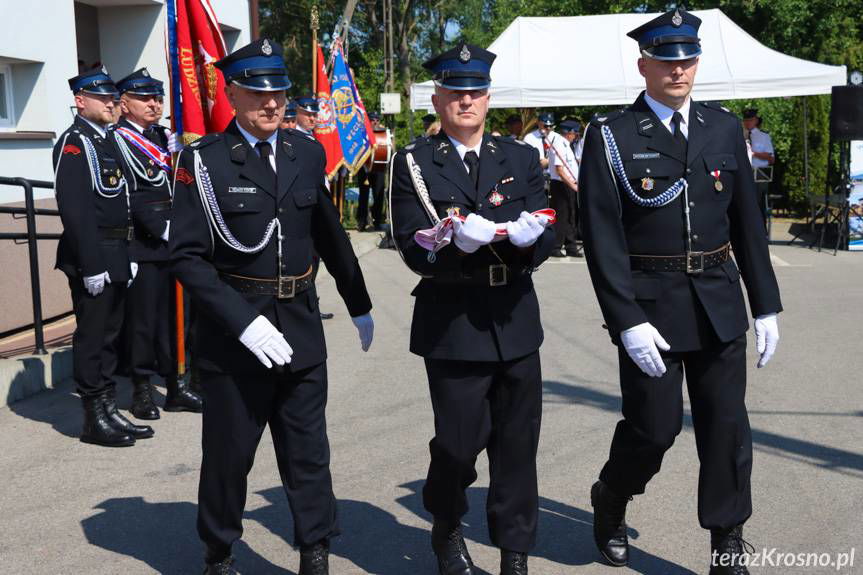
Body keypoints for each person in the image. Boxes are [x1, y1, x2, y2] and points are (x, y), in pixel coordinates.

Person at [578, 9, 782, 574]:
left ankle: (726, 542)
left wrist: (765, 304)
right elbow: (601, 236)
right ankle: (612, 493)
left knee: (726, 427)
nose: (678, 70)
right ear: (643, 65)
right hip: (652, 307)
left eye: (687, 59)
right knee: (655, 428)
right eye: (666, 60)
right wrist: (625, 317)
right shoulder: (611, 135)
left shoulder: (721, 127)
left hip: (718, 298)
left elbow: (748, 223)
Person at [169, 38, 374, 575]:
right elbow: (187, 259)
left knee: (308, 451)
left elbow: (328, 233)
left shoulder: (304, 151)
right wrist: (244, 324)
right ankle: (218, 551)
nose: (272, 104)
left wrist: (358, 302)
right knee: (230, 456)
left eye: (279, 93)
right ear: (232, 95)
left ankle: (315, 549)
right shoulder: (204, 162)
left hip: (301, 325)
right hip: (236, 336)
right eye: (257, 94)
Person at [390, 43, 555, 575]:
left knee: (517, 448)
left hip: (514, 316)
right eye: (455, 92)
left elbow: (548, 234)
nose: (466, 100)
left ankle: (515, 553)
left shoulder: (521, 157)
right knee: (458, 448)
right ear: (436, 98)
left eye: (475, 91)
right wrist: (451, 247)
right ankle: (446, 521)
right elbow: (411, 246)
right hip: (454, 320)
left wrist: (531, 241)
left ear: (488, 97)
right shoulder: (413, 162)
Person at [55, 67, 150, 447]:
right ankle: (94, 416)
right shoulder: (74, 142)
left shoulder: (106, 141)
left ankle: (109, 408)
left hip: (116, 251)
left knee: (112, 335)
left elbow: (121, 202)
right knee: (93, 337)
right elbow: (75, 210)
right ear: (81, 101)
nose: (112, 103)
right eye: (103, 97)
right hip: (91, 255)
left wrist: (126, 253)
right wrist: (92, 264)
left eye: (113, 97)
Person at [114, 68, 203, 420]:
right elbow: (128, 194)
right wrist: (163, 228)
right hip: (145, 244)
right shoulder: (118, 140)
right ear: (124, 104)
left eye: (158, 97)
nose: (154, 103)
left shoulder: (167, 137)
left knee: (177, 319)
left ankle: (178, 384)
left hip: (177, 240)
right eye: (144, 97)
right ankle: (141, 389)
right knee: (144, 322)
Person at [548, 120, 581, 257]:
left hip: (569, 183)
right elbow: (559, 169)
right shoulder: (559, 143)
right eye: (575, 133)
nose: (576, 136)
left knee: (570, 216)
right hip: (562, 184)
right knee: (561, 216)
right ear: (569, 133)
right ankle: (556, 246)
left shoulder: (565, 144)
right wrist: (573, 186)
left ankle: (570, 245)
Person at [356, 111, 387, 232]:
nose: (375, 122)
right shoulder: (362, 132)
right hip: (364, 167)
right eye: (372, 120)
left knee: (378, 195)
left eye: (377, 120)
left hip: (379, 168)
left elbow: (388, 148)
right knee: (363, 196)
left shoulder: (383, 133)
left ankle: (377, 221)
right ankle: (362, 221)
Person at [742, 108, 774, 223]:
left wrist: (753, 153)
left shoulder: (764, 137)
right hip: (744, 174)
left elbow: (771, 159)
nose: (747, 123)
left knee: (759, 204)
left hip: (760, 175)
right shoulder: (739, 136)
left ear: (756, 121)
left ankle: (761, 231)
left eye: (750, 120)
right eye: (745, 120)